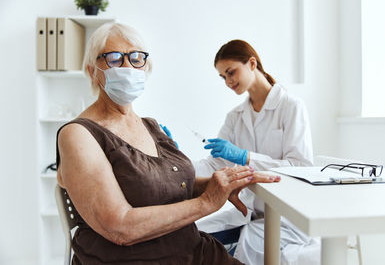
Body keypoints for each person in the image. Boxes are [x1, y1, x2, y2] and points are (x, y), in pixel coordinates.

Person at [55, 23, 281, 265]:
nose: (128, 67)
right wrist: (206, 202)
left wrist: (222, 184)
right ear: (92, 70)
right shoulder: (78, 135)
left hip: (192, 250)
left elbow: (172, 186)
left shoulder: (151, 126)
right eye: (114, 59)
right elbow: (120, 227)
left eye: (136, 58)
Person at [193, 40, 320, 265]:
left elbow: (301, 166)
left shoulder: (291, 107)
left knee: (250, 247)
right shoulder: (235, 116)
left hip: (287, 216)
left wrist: (247, 157)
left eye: (231, 72)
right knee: (191, 234)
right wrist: (174, 162)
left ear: (252, 63)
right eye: (223, 77)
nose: (228, 81)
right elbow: (215, 163)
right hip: (248, 211)